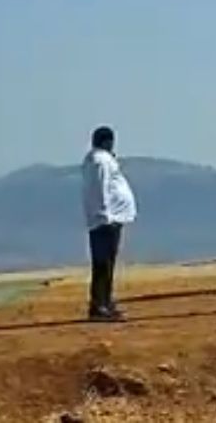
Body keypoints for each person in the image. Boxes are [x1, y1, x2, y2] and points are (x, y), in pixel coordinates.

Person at [81, 126, 137, 322]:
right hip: (105, 218)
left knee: (108, 262)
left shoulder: (101, 159)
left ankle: (105, 300)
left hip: (110, 217)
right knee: (103, 263)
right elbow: (100, 187)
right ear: (107, 141)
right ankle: (99, 305)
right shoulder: (100, 161)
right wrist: (104, 214)